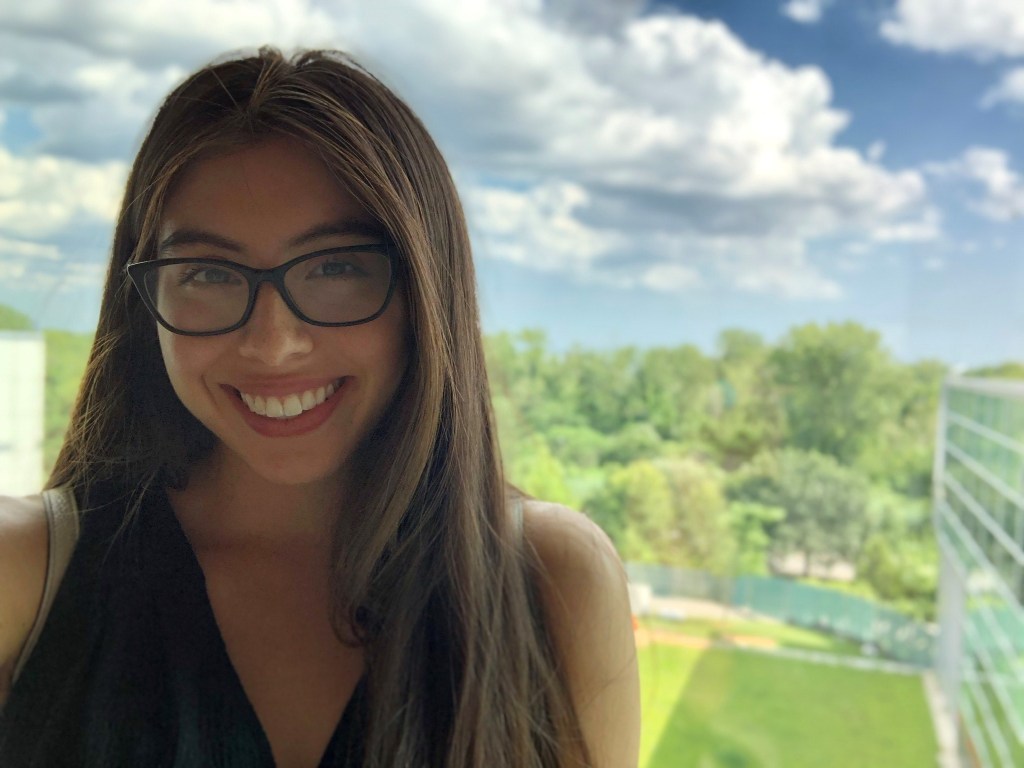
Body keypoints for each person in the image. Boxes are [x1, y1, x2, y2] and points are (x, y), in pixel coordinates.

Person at [0, 48, 640, 767]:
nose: (273, 344)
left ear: (426, 295)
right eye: (207, 272)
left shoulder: (553, 581)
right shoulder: (22, 572)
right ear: (142, 304)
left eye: (335, 267)